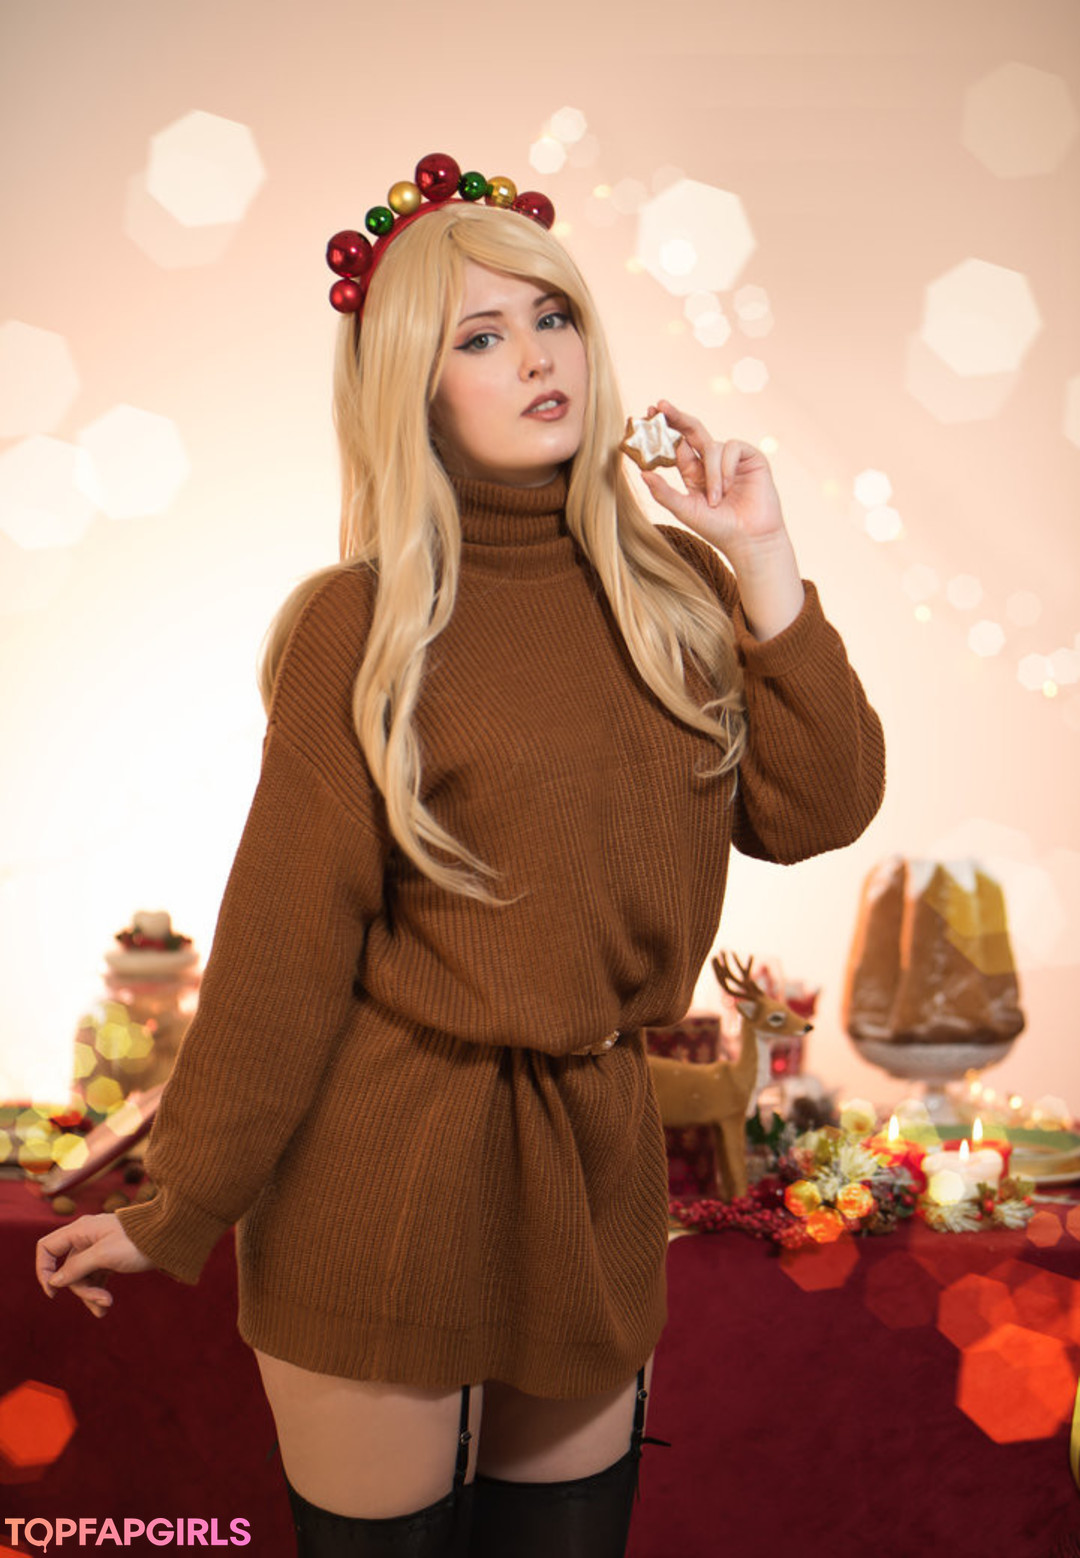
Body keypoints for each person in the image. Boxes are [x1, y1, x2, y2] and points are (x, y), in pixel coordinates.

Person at [35, 153, 886, 1557]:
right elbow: (287, 946)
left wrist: (765, 558)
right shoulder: (362, 625)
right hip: (386, 1170)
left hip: (590, 1162)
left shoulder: (676, 593)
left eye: (552, 317)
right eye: (479, 338)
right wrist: (180, 1202)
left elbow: (821, 807)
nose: (537, 357)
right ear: (413, 391)